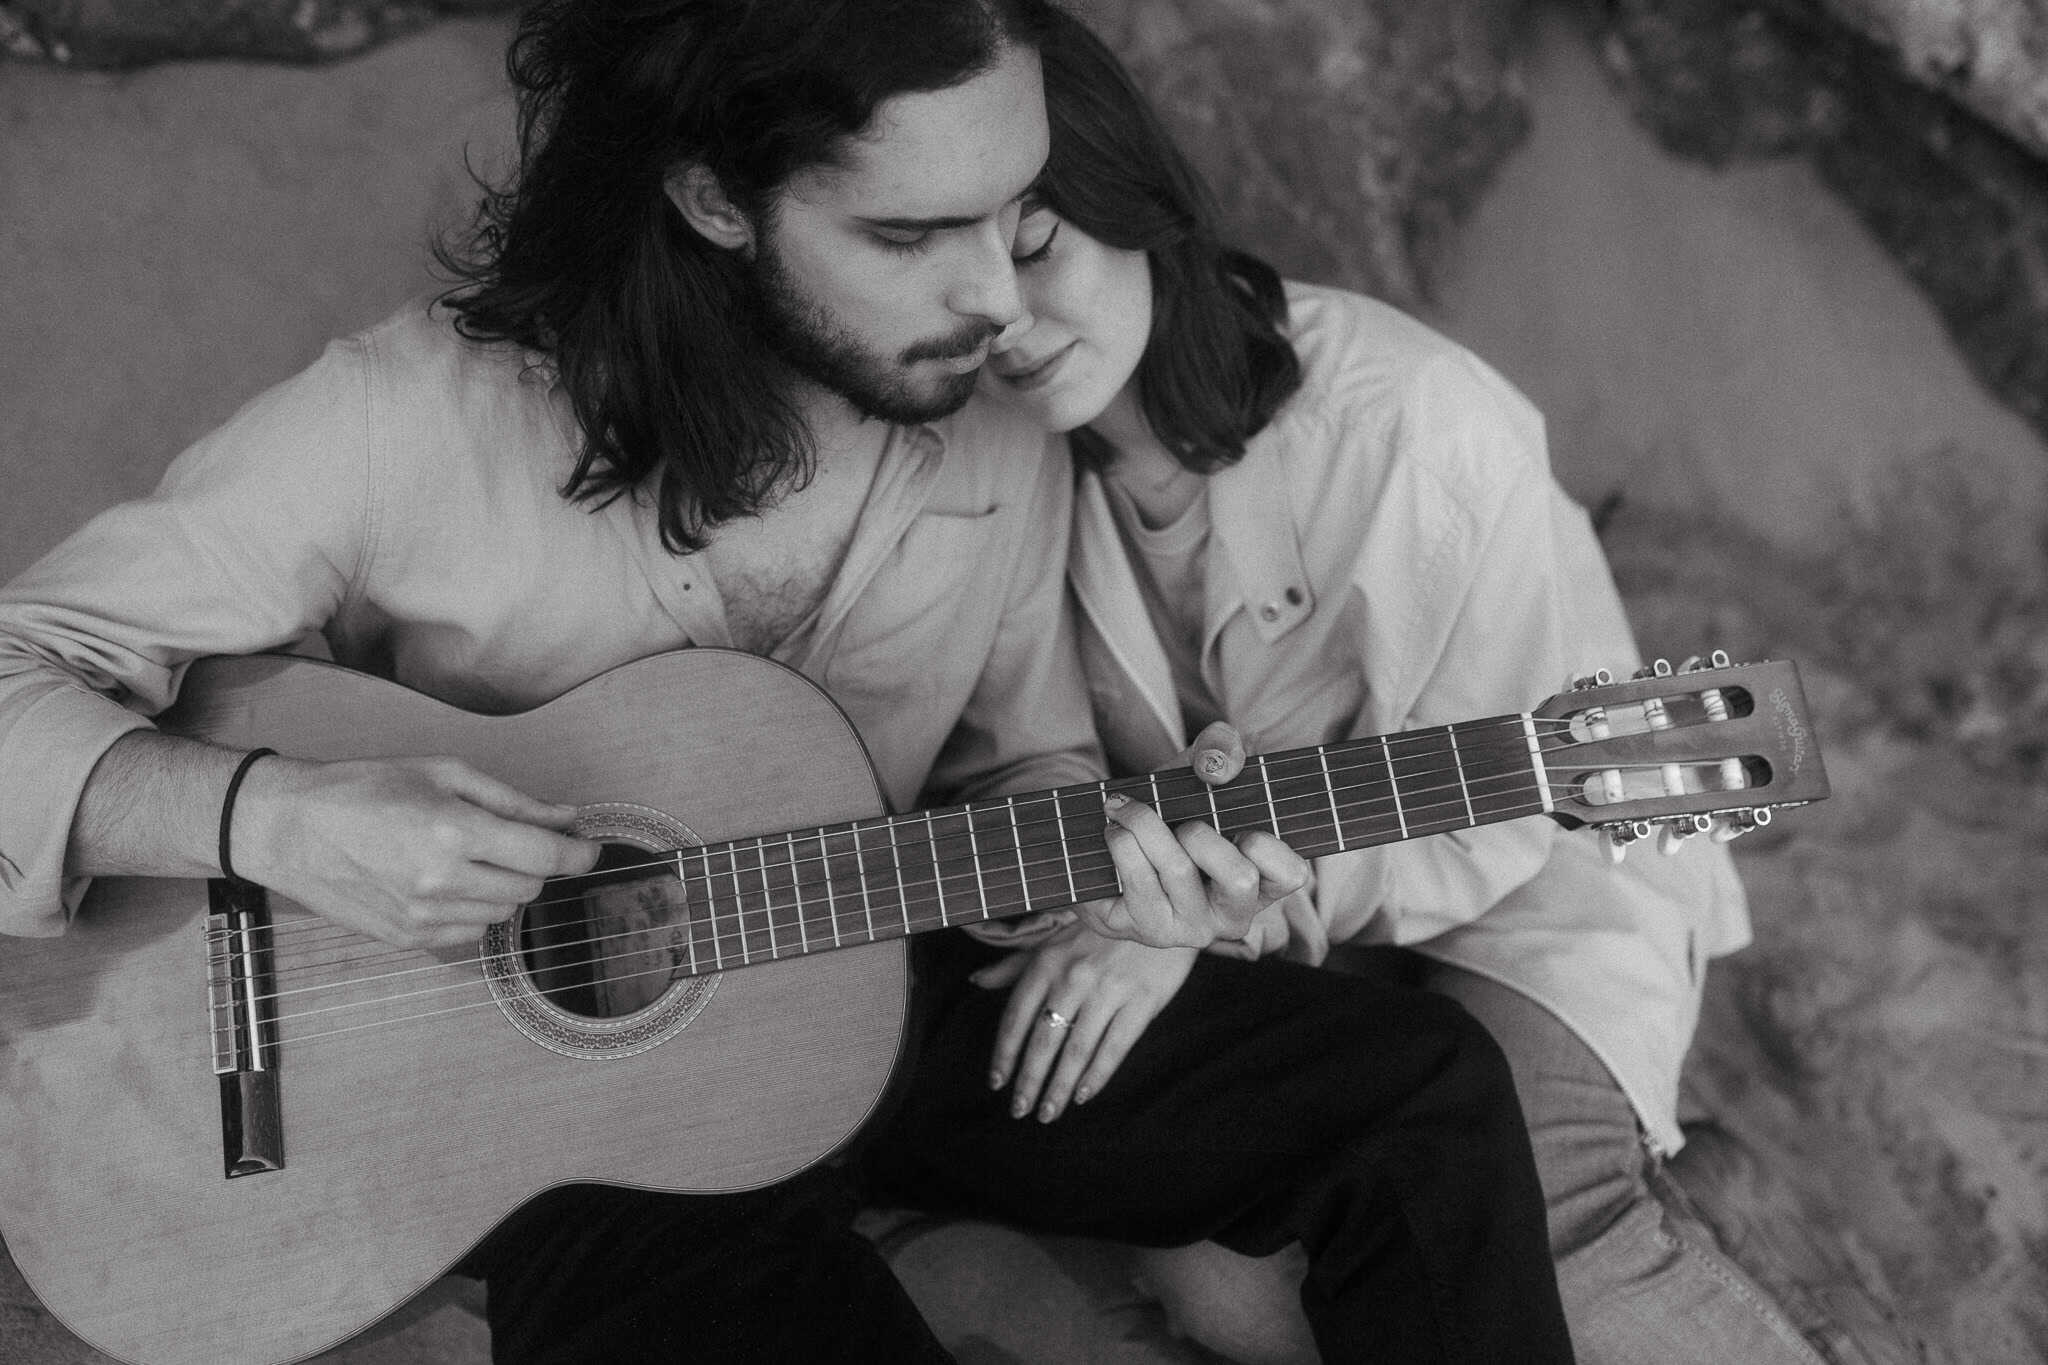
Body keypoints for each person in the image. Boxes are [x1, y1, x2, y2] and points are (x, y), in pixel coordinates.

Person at [0, 2, 1575, 1361]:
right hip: (526, 1121)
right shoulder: (399, 422)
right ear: (716, 200)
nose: (1003, 301)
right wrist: (277, 819)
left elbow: (1014, 768)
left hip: (867, 971)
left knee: (1417, 1101)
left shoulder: (990, 420)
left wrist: (1114, 878)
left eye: (1014, 213)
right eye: (910, 236)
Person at [971, 11, 1826, 1365]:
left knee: (1526, 1219)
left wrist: (1214, 920)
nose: (1005, 318)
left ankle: (1626, 1197)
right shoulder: (1003, 469)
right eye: (958, 263)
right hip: (1236, 917)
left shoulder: (1417, 429)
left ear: (1128, 199)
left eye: (1035, 248)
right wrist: (1143, 906)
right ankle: (1684, 1167)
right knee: (1224, 1289)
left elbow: (1498, 825)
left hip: (1521, 876)